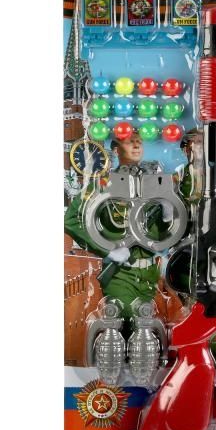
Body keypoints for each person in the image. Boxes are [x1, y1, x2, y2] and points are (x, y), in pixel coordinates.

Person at [64, 131, 169, 332]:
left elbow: (159, 235)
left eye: (139, 142)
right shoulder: (103, 183)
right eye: (130, 142)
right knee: (133, 327)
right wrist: (108, 250)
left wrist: (167, 215)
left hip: (150, 275)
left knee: (152, 333)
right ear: (115, 149)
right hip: (121, 275)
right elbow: (71, 219)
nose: (136, 146)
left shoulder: (152, 183)